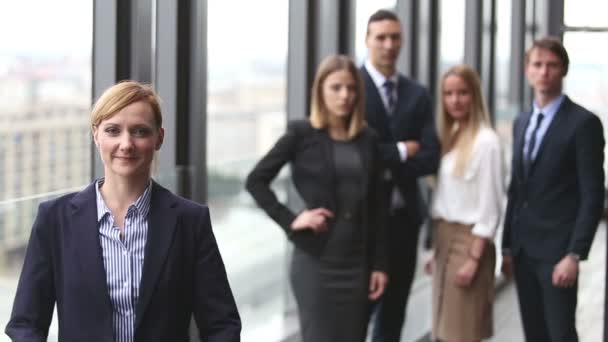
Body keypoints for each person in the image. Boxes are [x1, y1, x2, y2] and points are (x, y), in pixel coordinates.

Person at [6, 81, 241, 342]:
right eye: (113, 130)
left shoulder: (190, 221)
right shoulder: (54, 219)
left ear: (159, 138)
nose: (126, 143)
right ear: (96, 135)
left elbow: (222, 324)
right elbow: (25, 324)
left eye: (140, 131)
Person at [246, 54, 388, 342]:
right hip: (316, 263)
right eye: (336, 87)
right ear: (320, 91)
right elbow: (256, 181)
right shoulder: (301, 134)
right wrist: (292, 219)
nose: (345, 95)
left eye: (351, 88)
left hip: (358, 264)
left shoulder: (368, 139)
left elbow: (378, 208)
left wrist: (380, 265)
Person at [502, 36, 605, 342]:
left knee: (560, 334)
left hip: (558, 252)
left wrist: (574, 254)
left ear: (564, 70)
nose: (544, 72)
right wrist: (507, 246)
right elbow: (517, 190)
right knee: (534, 334)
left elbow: (592, 194)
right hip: (523, 251)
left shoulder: (584, 123)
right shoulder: (521, 122)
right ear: (527, 71)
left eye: (552, 65)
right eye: (538, 65)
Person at [360, 9, 440, 342]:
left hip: (405, 221)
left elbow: (431, 157)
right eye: (381, 37)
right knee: (357, 316)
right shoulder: (350, 89)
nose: (388, 44)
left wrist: (384, 155)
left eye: (395, 37)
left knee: (393, 318)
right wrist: (404, 150)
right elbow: (359, 157)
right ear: (367, 40)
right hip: (361, 222)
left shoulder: (416, 93)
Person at [425, 65, 503, 342]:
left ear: (475, 96)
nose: (455, 100)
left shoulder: (487, 142)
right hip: (444, 238)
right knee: (443, 330)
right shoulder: (451, 138)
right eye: (448, 94)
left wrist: (473, 259)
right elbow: (445, 199)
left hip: (470, 244)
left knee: (464, 333)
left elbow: (491, 208)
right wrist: (436, 251)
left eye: (462, 93)